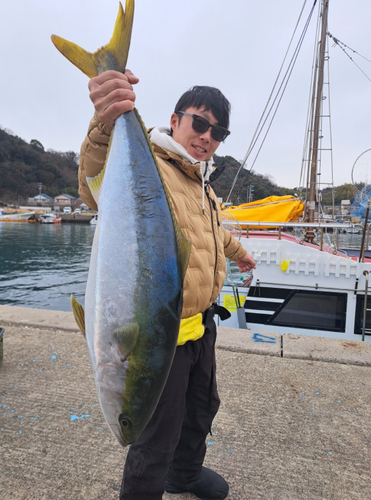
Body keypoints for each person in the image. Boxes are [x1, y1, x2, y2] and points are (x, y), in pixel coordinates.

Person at [78, 69, 256, 500]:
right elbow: (92, 181)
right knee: (153, 434)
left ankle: (186, 475)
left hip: (202, 326)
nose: (207, 136)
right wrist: (105, 120)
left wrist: (240, 254)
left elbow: (215, 232)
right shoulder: (150, 167)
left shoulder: (201, 183)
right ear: (175, 120)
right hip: (161, 335)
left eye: (218, 131)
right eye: (199, 123)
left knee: (200, 411)